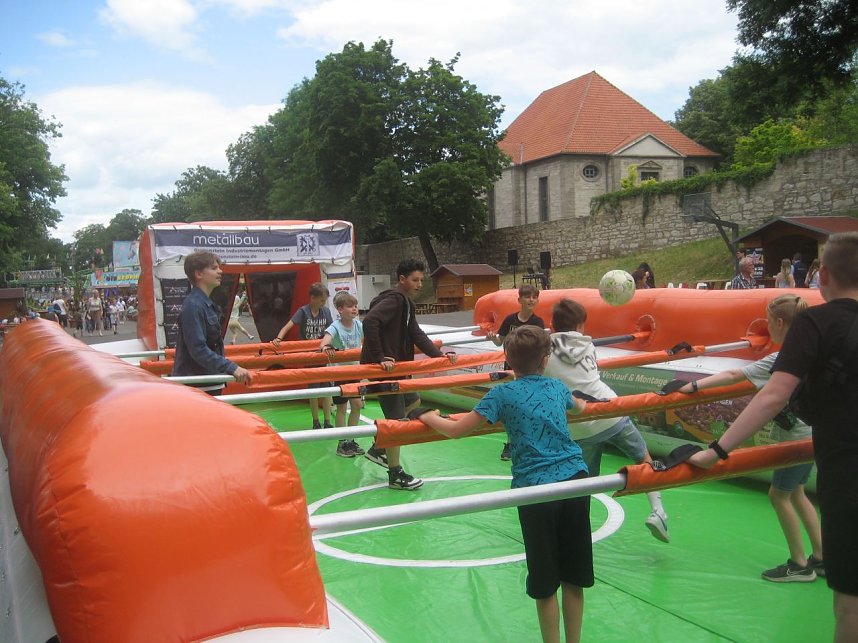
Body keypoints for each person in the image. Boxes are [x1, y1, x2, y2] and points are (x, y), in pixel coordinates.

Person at [688, 232, 858, 641]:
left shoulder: (815, 323)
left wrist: (717, 451)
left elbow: (774, 394)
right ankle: (813, 557)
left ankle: (807, 560)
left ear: (823, 276)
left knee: (849, 604)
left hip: (848, 472)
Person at [417, 325, 591, 643]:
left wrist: (428, 416)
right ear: (545, 359)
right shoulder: (557, 387)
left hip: (537, 490)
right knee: (573, 577)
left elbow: (456, 431)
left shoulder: (501, 394)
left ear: (508, 361)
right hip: (575, 483)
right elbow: (581, 406)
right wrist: (578, 402)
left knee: (545, 580)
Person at [678, 295, 822, 580]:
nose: (767, 328)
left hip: (795, 438)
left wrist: (693, 385)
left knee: (778, 495)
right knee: (796, 492)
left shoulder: (780, 359)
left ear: (780, 323)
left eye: (768, 323)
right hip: (812, 434)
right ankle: (821, 555)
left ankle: (799, 564)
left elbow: (734, 374)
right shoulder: (813, 351)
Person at [545, 298, 669, 542]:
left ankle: (577, 530)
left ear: (552, 324)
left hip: (579, 424)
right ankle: (658, 511)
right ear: (581, 326)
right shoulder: (588, 345)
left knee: (585, 482)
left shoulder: (544, 349)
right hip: (610, 411)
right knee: (643, 459)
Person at [360, 258, 456, 491]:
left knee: (414, 402)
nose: (419, 284)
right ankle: (395, 474)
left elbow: (416, 333)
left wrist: (438, 356)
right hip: (386, 370)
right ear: (402, 280)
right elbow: (370, 321)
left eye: (421, 280)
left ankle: (379, 449)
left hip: (398, 369)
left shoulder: (407, 304)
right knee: (397, 422)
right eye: (415, 280)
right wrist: (380, 356)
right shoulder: (394, 300)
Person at [172, 251, 252, 395]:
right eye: (214, 268)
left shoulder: (202, 304)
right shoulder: (194, 306)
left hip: (206, 381)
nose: (220, 271)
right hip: (198, 385)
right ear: (199, 274)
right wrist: (231, 367)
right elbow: (198, 349)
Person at [487, 283, 544, 461]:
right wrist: (492, 338)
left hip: (530, 370)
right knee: (512, 405)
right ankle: (511, 443)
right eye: (527, 296)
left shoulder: (538, 322)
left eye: (534, 297)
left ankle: (530, 441)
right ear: (519, 299)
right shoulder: (510, 320)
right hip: (511, 367)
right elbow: (499, 342)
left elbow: (541, 347)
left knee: (529, 405)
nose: (531, 299)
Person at [273, 282, 334, 430]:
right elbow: (288, 326)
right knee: (313, 388)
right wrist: (278, 339)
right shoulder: (303, 311)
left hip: (322, 355)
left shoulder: (325, 312)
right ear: (312, 298)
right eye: (321, 300)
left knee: (326, 388)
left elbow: (332, 330)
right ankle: (315, 421)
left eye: (324, 300)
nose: (323, 303)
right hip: (308, 356)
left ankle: (327, 420)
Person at [320, 291, 366, 458]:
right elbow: (324, 341)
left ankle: (351, 439)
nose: (354, 309)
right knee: (341, 407)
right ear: (340, 309)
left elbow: (370, 339)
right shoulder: (335, 326)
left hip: (355, 370)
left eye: (355, 306)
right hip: (340, 371)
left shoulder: (359, 325)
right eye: (349, 306)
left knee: (357, 405)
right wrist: (326, 347)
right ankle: (342, 443)